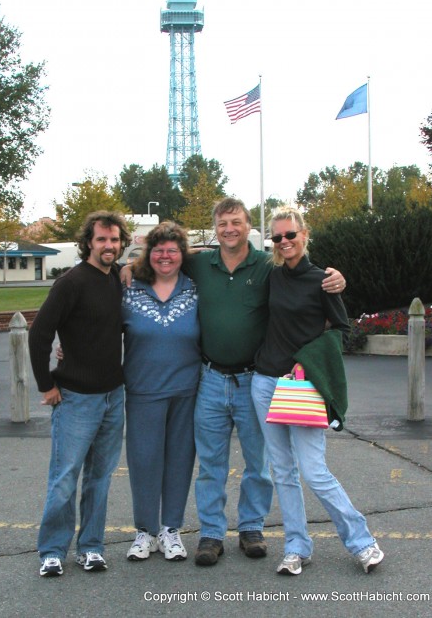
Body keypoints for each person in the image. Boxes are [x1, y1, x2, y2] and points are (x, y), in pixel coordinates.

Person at [120, 197, 345, 566]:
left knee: (258, 462)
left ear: (248, 227)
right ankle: (210, 533)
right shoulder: (199, 263)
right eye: (223, 223)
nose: (230, 229)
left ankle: (251, 527)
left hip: (253, 379)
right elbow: (164, 257)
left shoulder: (267, 266)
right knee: (211, 463)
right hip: (208, 378)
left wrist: (335, 276)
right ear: (215, 227)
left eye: (236, 222)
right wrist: (129, 266)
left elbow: (300, 276)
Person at [251, 206, 384, 575]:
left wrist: (307, 361)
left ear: (304, 234)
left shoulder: (323, 279)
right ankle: (296, 547)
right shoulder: (272, 276)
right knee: (282, 470)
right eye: (277, 237)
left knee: (313, 470)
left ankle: (361, 542)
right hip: (264, 383)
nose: (284, 242)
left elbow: (342, 330)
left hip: (303, 384)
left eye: (290, 235)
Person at [28, 210, 131, 578]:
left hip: (112, 396)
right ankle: (52, 551)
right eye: (102, 239)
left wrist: (129, 266)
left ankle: (91, 547)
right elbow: (40, 334)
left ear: (122, 243)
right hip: (75, 398)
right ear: (89, 242)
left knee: (100, 478)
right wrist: (47, 384)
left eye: (115, 240)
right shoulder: (71, 282)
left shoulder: (116, 280)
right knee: (65, 476)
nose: (108, 245)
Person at [123, 222, 201, 561]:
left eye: (172, 249)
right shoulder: (128, 286)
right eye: (158, 250)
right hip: (142, 389)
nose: (165, 256)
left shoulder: (197, 287)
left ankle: (171, 529)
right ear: (148, 254)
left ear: (182, 254)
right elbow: (91, 317)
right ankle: (145, 531)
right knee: (143, 460)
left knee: (180, 460)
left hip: (187, 389)